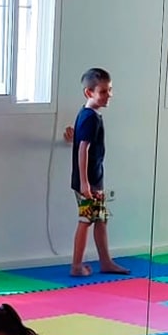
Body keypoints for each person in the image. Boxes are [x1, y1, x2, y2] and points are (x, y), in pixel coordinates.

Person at [65, 68, 126, 278]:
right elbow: (84, 149)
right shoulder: (90, 117)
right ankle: (76, 266)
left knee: (100, 219)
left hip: (94, 179)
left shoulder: (87, 114)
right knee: (86, 220)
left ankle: (105, 261)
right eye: (103, 91)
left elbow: (80, 142)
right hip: (89, 181)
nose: (108, 95)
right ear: (89, 93)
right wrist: (85, 183)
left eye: (109, 90)